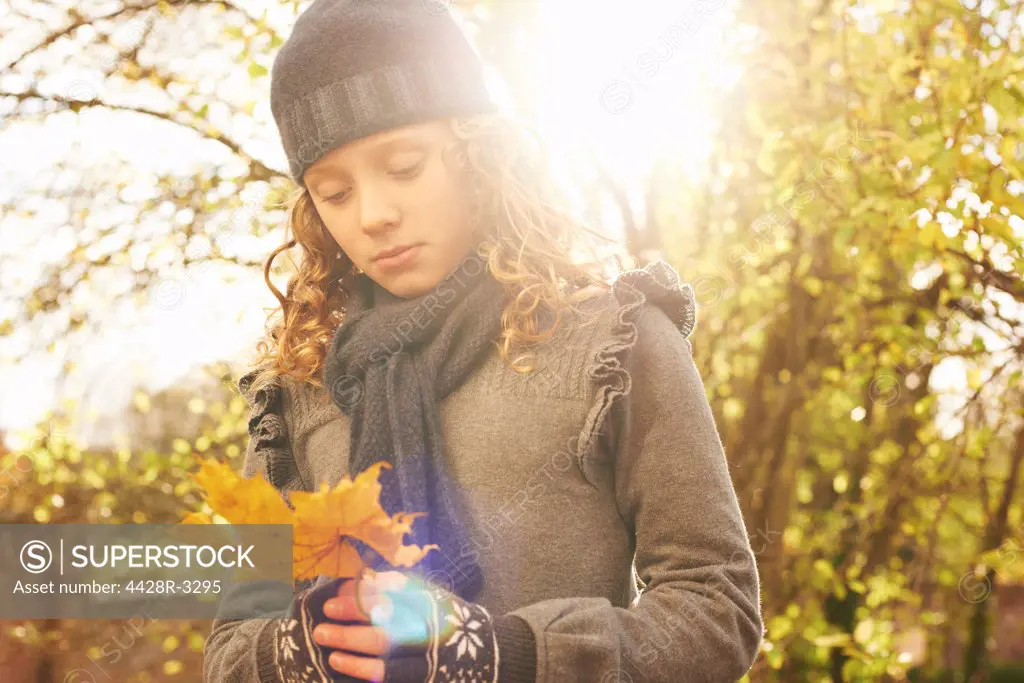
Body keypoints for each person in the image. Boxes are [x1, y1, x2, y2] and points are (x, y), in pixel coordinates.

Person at [202, 1, 764, 682]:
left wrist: (511, 655)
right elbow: (231, 644)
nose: (374, 214)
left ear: (478, 153)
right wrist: (297, 649)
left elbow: (717, 608)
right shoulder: (295, 391)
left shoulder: (613, 342)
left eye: (404, 166)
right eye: (334, 191)